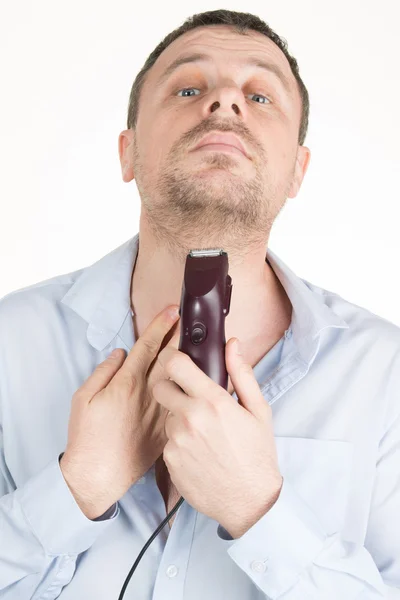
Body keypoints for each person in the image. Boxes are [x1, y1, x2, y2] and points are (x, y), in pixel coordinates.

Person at [0, 8, 399, 600]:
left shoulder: (385, 374)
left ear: (297, 171)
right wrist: (76, 488)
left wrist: (260, 509)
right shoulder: (11, 343)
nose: (224, 104)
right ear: (128, 153)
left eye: (261, 96)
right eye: (189, 88)